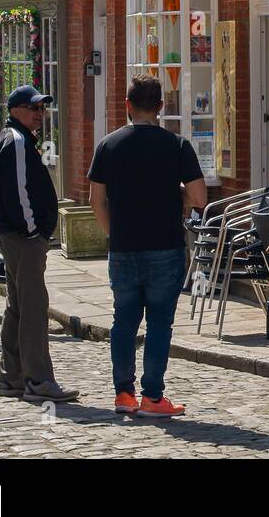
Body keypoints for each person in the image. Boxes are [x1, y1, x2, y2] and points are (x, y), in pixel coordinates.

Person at [88, 75, 206, 418]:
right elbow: (198, 197)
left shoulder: (108, 146)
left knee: (123, 321)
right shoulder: (177, 146)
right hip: (164, 247)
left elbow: (97, 199)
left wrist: (113, 234)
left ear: (127, 106)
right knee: (158, 323)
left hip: (124, 247)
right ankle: (153, 397)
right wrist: (175, 194)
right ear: (160, 107)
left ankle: (123, 394)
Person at [0, 85, 78, 404]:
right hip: (22, 237)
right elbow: (19, 190)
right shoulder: (18, 141)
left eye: (41, 109)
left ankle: (11, 377)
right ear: (15, 110)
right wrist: (33, 230)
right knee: (34, 308)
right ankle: (37, 379)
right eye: (33, 108)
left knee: (18, 307)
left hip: (14, 235)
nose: (39, 114)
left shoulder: (15, 138)